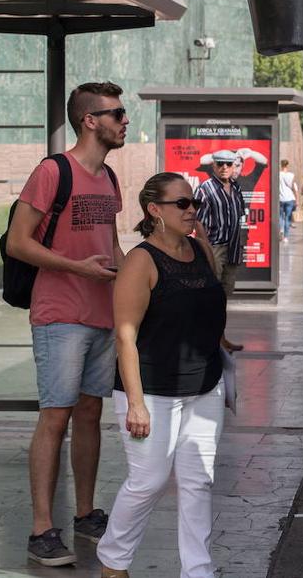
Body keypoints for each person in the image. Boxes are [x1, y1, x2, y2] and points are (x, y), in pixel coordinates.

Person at [6, 82, 127, 566]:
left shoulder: (111, 179)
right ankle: (41, 530)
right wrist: (79, 269)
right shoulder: (53, 171)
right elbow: (17, 243)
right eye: (115, 113)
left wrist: (137, 292)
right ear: (89, 120)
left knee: (91, 414)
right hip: (60, 313)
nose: (124, 121)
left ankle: (85, 513)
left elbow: (112, 245)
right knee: (55, 417)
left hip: (101, 315)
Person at [97, 173, 231, 578]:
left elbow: (208, 303)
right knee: (149, 481)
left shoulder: (199, 249)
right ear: (155, 210)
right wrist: (135, 404)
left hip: (205, 385)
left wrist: (221, 342)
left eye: (195, 204)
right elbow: (124, 335)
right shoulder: (141, 261)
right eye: (182, 204)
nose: (192, 211)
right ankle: (113, 560)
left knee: (198, 482)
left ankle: (198, 570)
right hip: (152, 391)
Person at [193, 150, 249, 308]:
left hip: (233, 246)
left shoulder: (236, 187)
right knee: (211, 286)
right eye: (220, 164)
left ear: (233, 167)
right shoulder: (204, 189)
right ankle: (208, 324)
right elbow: (197, 221)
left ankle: (218, 321)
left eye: (229, 164)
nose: (224, 167)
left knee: (227, 288)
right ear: (213, 166)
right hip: (214, 246)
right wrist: (206, 247)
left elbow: (238, 216)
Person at [278, 159, 298, 242]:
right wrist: (296, 199)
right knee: (287, 218)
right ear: (287, 165)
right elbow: (294, 188)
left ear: (281, 165)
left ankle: (281, 229)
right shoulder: (291, 175)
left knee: (280, 216)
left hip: (281, 198)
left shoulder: (278, 174)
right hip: (290, 198)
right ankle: (286, 237)